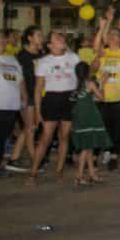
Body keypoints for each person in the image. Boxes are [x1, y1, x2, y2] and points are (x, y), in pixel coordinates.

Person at [26, 31, 80, 184]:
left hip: (69, 99)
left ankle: (59, 172)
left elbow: (82, 77)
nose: (61, 39)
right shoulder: (44, 62)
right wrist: (37, 111)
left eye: (62, 37)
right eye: (57, 38)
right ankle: (33, 173)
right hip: (51, 99)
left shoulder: (73, 57)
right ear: (49, 45)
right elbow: (38, 89)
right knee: (45, 138)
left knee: (64, 137)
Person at [89, 9, 120, 171]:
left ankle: (115, 155)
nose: (112, 36)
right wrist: (104, 26)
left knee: (119, 129)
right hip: (103, 97)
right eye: (110, 34)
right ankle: (95, 156)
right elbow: (94, 63)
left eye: (116, 34)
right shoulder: (103, 52)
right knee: (102, 128)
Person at [70, 61, 112, 186]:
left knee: (89, 146)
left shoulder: (76, 85)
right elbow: (101, 97)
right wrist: (103, 84)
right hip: (90, 116)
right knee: (87, 148)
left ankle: (92, 174)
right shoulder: (90, 83)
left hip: (79, 117)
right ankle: (79, 175)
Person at [8, 25, 44, 172]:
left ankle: (13, 159)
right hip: (26, 97)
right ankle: (34, 160)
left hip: (37, 97)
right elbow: (19, 79)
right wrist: (22, 97)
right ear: (30, 38)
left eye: (42, 35)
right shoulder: (22, 56)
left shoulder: (40, 55)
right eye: (38, 35)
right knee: (30, 129)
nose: (41, 38)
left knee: (28, 129)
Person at [0, 8, 28, 178]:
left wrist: (24, 98)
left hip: (11, 106)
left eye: (3, 39)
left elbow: (20, 80)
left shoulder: (12, 59)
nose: (2, 41)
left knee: (2, 138)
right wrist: (1, 12)